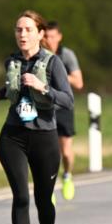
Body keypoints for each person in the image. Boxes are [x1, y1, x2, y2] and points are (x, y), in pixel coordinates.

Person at [0, 10, 74, 224]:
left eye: (28, 29)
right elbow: (7, 90)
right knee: (20, 196)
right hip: (13, 136)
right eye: (19, 29)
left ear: (40, 34)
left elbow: (68, 100)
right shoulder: (12, 62)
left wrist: (43, 88)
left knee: (43, 199)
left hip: (44, 138)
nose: (22, 34)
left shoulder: (52, 63)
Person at [44, 21, 83, 202]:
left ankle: (67, 175)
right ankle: (48, 186)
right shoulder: (39, 54)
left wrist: (58, 73)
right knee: (49, 152)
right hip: (45, 109)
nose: (49, 40)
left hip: (64, 108)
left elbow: (79, 82)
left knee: (66, 152)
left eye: (52, 36)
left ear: (59, 37)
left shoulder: (66, 55)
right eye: (46, 36)